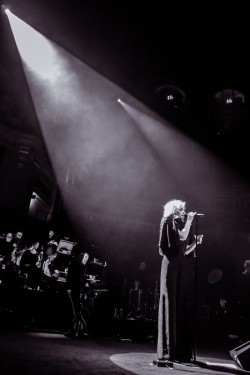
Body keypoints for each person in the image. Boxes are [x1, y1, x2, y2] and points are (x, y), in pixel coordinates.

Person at [157, 199, 203, 363]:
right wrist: (190, 220)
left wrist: (195, 243)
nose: (184, 212)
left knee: (179, 305)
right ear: (174, 209)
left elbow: (184, 250)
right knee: (170, 305)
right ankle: (170, 350)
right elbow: (178, 242)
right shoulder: (168, 221)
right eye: (182, 209)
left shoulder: (177, 224)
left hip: (180, 267)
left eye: (185, 210)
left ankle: (180, 350)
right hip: (170, 267)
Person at [65, 251, 90, 337]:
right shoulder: (76, 265)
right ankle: (73, 329)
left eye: (87, 258)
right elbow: (70, 277)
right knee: (74, 309)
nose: (86, 259)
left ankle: (76, 329)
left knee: (77, 309)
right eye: (85, 257)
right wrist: (69, 288)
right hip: (75, 288)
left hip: (78, 289)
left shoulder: (81, 266)